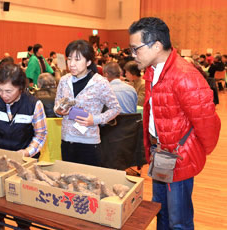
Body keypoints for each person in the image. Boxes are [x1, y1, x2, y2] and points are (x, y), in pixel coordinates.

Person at [129, 17, 221, 229]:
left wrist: (190, 150)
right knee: (160, 212)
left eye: (136, 49)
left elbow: (208, 124)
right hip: (160, 153)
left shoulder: (184, 76)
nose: (133, 55)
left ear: (157, 45)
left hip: (178, 156)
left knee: (179, 221)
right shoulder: (153, 71)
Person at [0, 63, 47, 230]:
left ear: (20, 87)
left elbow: (41, 135)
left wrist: (27, 152)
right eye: (0, 89)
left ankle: (23, 226)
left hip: (23, 161)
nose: (3, 95)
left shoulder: (34, 104)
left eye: (9, 91)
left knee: (22, 205)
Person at [54, 39, 121, 166]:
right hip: (67, 140)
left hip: (89, 142)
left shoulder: (100, 82)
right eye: (69, 59)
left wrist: (95, 119)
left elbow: (115, 108)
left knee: (91, 182)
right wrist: (59, 111)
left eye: (77, 59)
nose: (72, 64)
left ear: (89, 62)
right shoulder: (64, 81)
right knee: (69, 181)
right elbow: (57, 106)